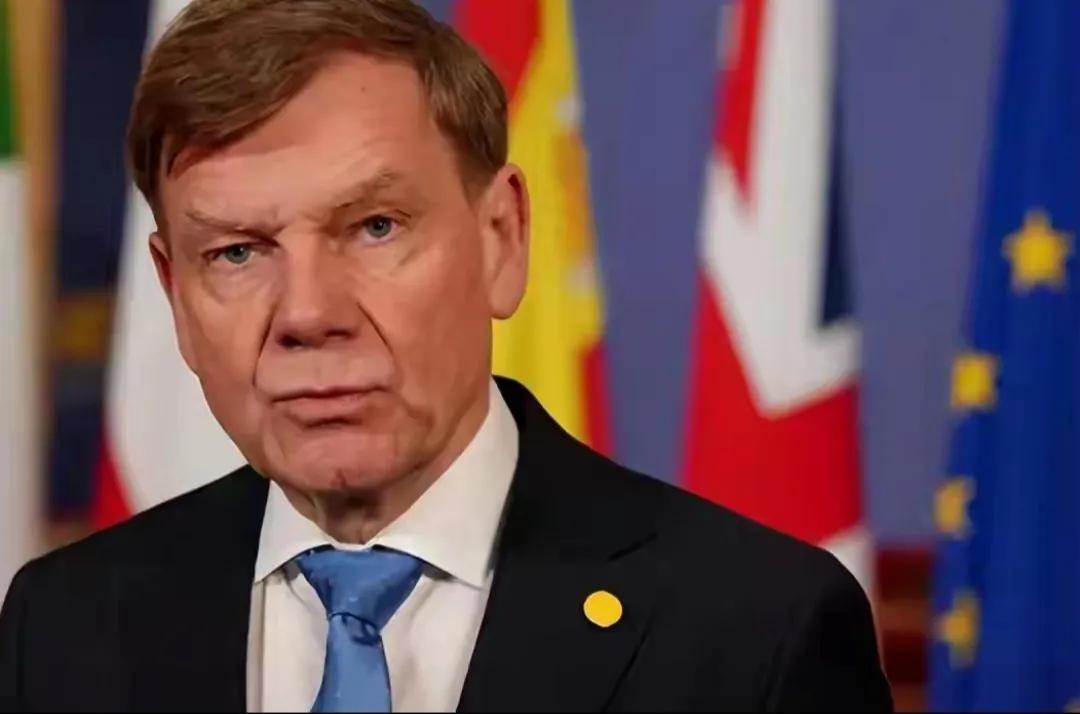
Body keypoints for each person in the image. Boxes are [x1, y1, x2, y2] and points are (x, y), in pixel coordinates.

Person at [0, 0, 892, 711]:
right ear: (174, 294)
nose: (307, 314)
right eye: (237, 252)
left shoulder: (752, 633)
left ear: (502, 237)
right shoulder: (65, 629)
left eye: (375, 227)